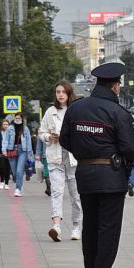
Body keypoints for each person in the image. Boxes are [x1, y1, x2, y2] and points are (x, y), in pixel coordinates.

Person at [60, 62, 134, 268]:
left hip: (85, 172)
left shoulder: (76, 108)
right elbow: (132, 150)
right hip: (111, 176)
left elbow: (65, 139)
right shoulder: (118, 112)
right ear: (115, 86)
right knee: (109, 226)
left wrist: (83, 152)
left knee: (91, 224)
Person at [40, 80, 83, 242]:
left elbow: (80, 132)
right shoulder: (50, 111)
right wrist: (49, 137)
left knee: (75, 194)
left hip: (73, 158)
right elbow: (42, 131)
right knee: (57, 192)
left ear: (68, 93)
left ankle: (76, 226)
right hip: (55, 156)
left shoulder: (75, 110)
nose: (60, 95)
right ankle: (56, 226)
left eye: (63, 92)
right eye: (58, 92)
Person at [2, 113, 34, 197]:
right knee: (14, 172)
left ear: (22, 119)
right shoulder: (10, 128)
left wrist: (29, 154)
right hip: (12, 150)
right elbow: (5, 140)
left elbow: (28, 142)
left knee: (19, 171)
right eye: (16, 118)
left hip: (22, 151)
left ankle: (18, 189)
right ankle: (20, 184)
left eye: (19, 118)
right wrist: (4, 150)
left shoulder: (25, 128)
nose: (17, 119)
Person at [35, 130, 51, 196]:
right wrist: (37, 155)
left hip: (52, 156)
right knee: (47, 172)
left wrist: (38, 155)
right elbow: (38, 146)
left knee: (48, 172)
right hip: (45, 156)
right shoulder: (41, 135)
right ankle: (49, 188)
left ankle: (49, 189)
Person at [0, 119, 12, 190]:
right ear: (2, 125)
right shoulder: (0, 133)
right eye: (4, 124)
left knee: (8, 167)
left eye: (7, 124)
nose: (6, 126)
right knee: (2, 166)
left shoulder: (11, 133)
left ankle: (6, 183)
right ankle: (1, 181)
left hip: (9, 151)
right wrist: (2, 151)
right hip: (1, 151)